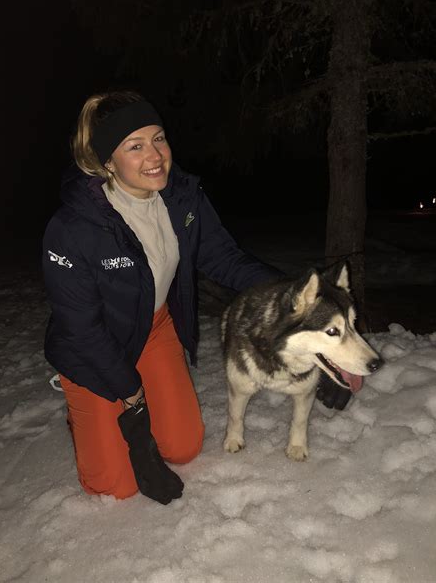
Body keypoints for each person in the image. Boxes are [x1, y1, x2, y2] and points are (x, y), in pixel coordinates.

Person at [43, 90, 350, 505]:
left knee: (183, 447)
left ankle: (128, 399)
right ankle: (81, 410)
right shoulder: (74, 228)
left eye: (159, 138)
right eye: (135, 146)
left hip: (153, 329)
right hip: (91, 349)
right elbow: (80, 329)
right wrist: (132, 402)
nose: (155, 155)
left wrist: (301, 306)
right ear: (107, 161)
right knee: (114, 485)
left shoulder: (180, 198)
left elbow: (224, 259)